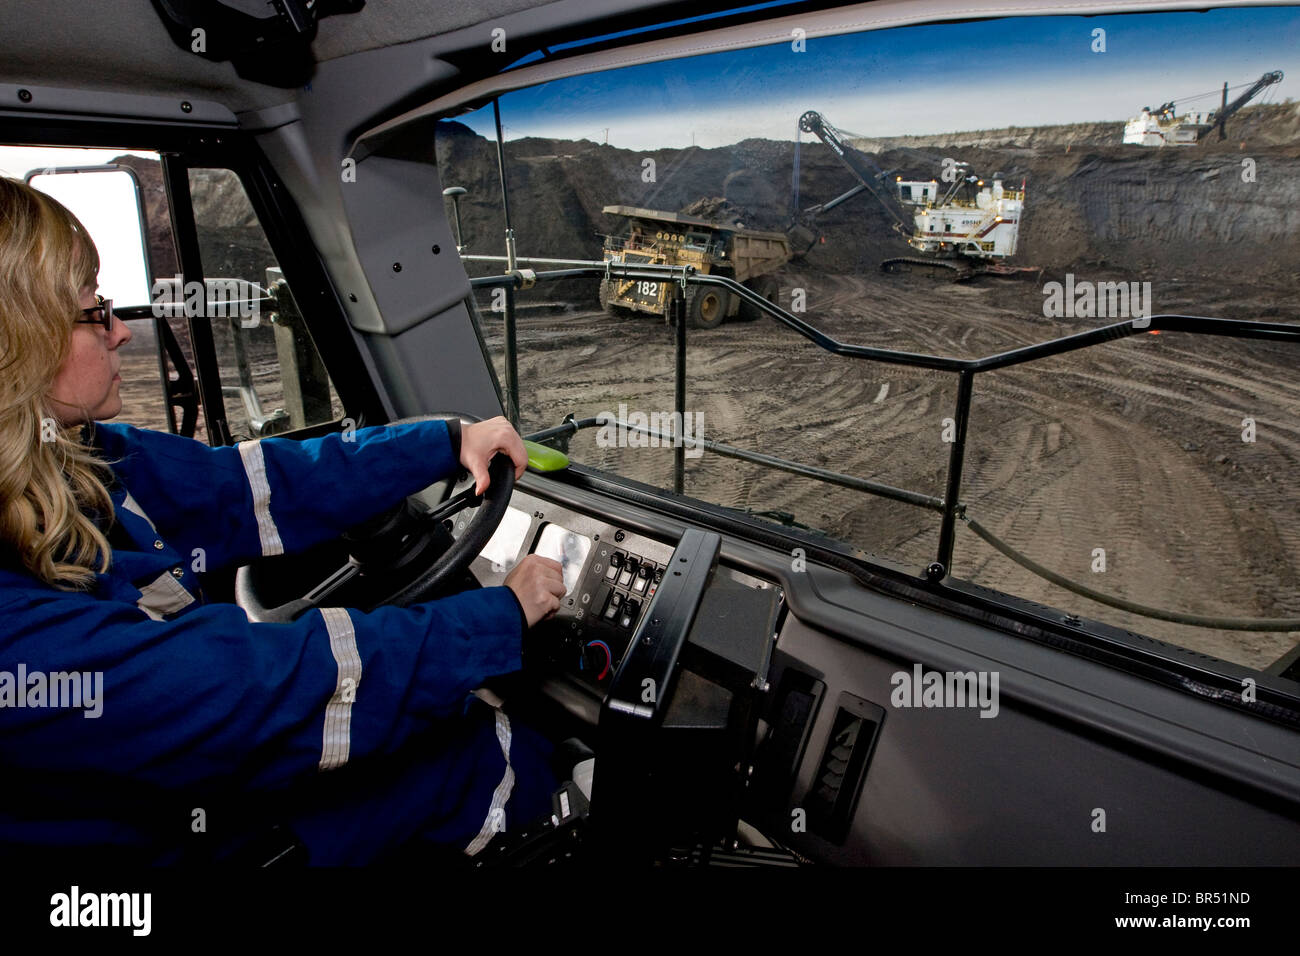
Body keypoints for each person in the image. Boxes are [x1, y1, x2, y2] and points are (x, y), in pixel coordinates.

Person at [0, 176, 568, 864]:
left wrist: (444, 441)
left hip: (172, 787)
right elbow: (250, 694)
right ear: (18, 339)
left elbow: (249, 486)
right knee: (462, 752)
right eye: (94, 311)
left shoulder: (75, 461)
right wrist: (495, 619)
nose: (121, 331)